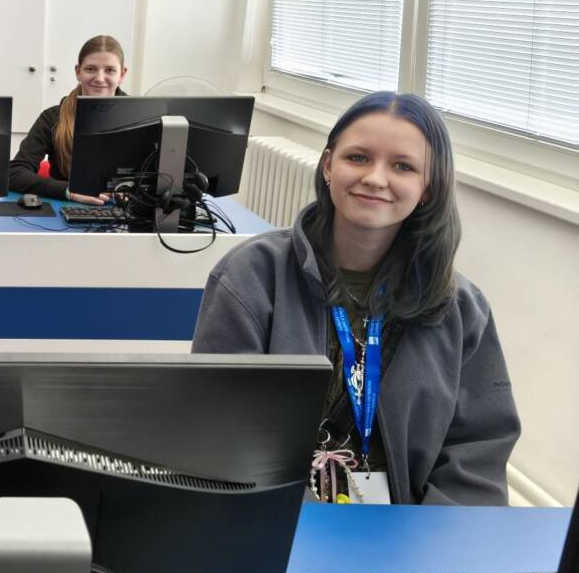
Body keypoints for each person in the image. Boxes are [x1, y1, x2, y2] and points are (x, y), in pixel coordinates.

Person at [192, 92, 519, 505]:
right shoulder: (252, 275)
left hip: (410, 527)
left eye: (402, 166)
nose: (376, 178)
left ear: (428, 187)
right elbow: (220, 424)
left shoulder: (462, 307)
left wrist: (430, 535)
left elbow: (477, 450)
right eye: (358, 158)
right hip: (277, 516)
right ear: (328, 165)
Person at [9, 34, 129, 203]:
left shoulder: (142, 118)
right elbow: (15, 173)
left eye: (110, 70)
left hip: (127, 210)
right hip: (68, 208)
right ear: (78, 72)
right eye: (91, 69)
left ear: (122, 74)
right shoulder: (52, 117)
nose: (99, 78)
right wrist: (69, 191)